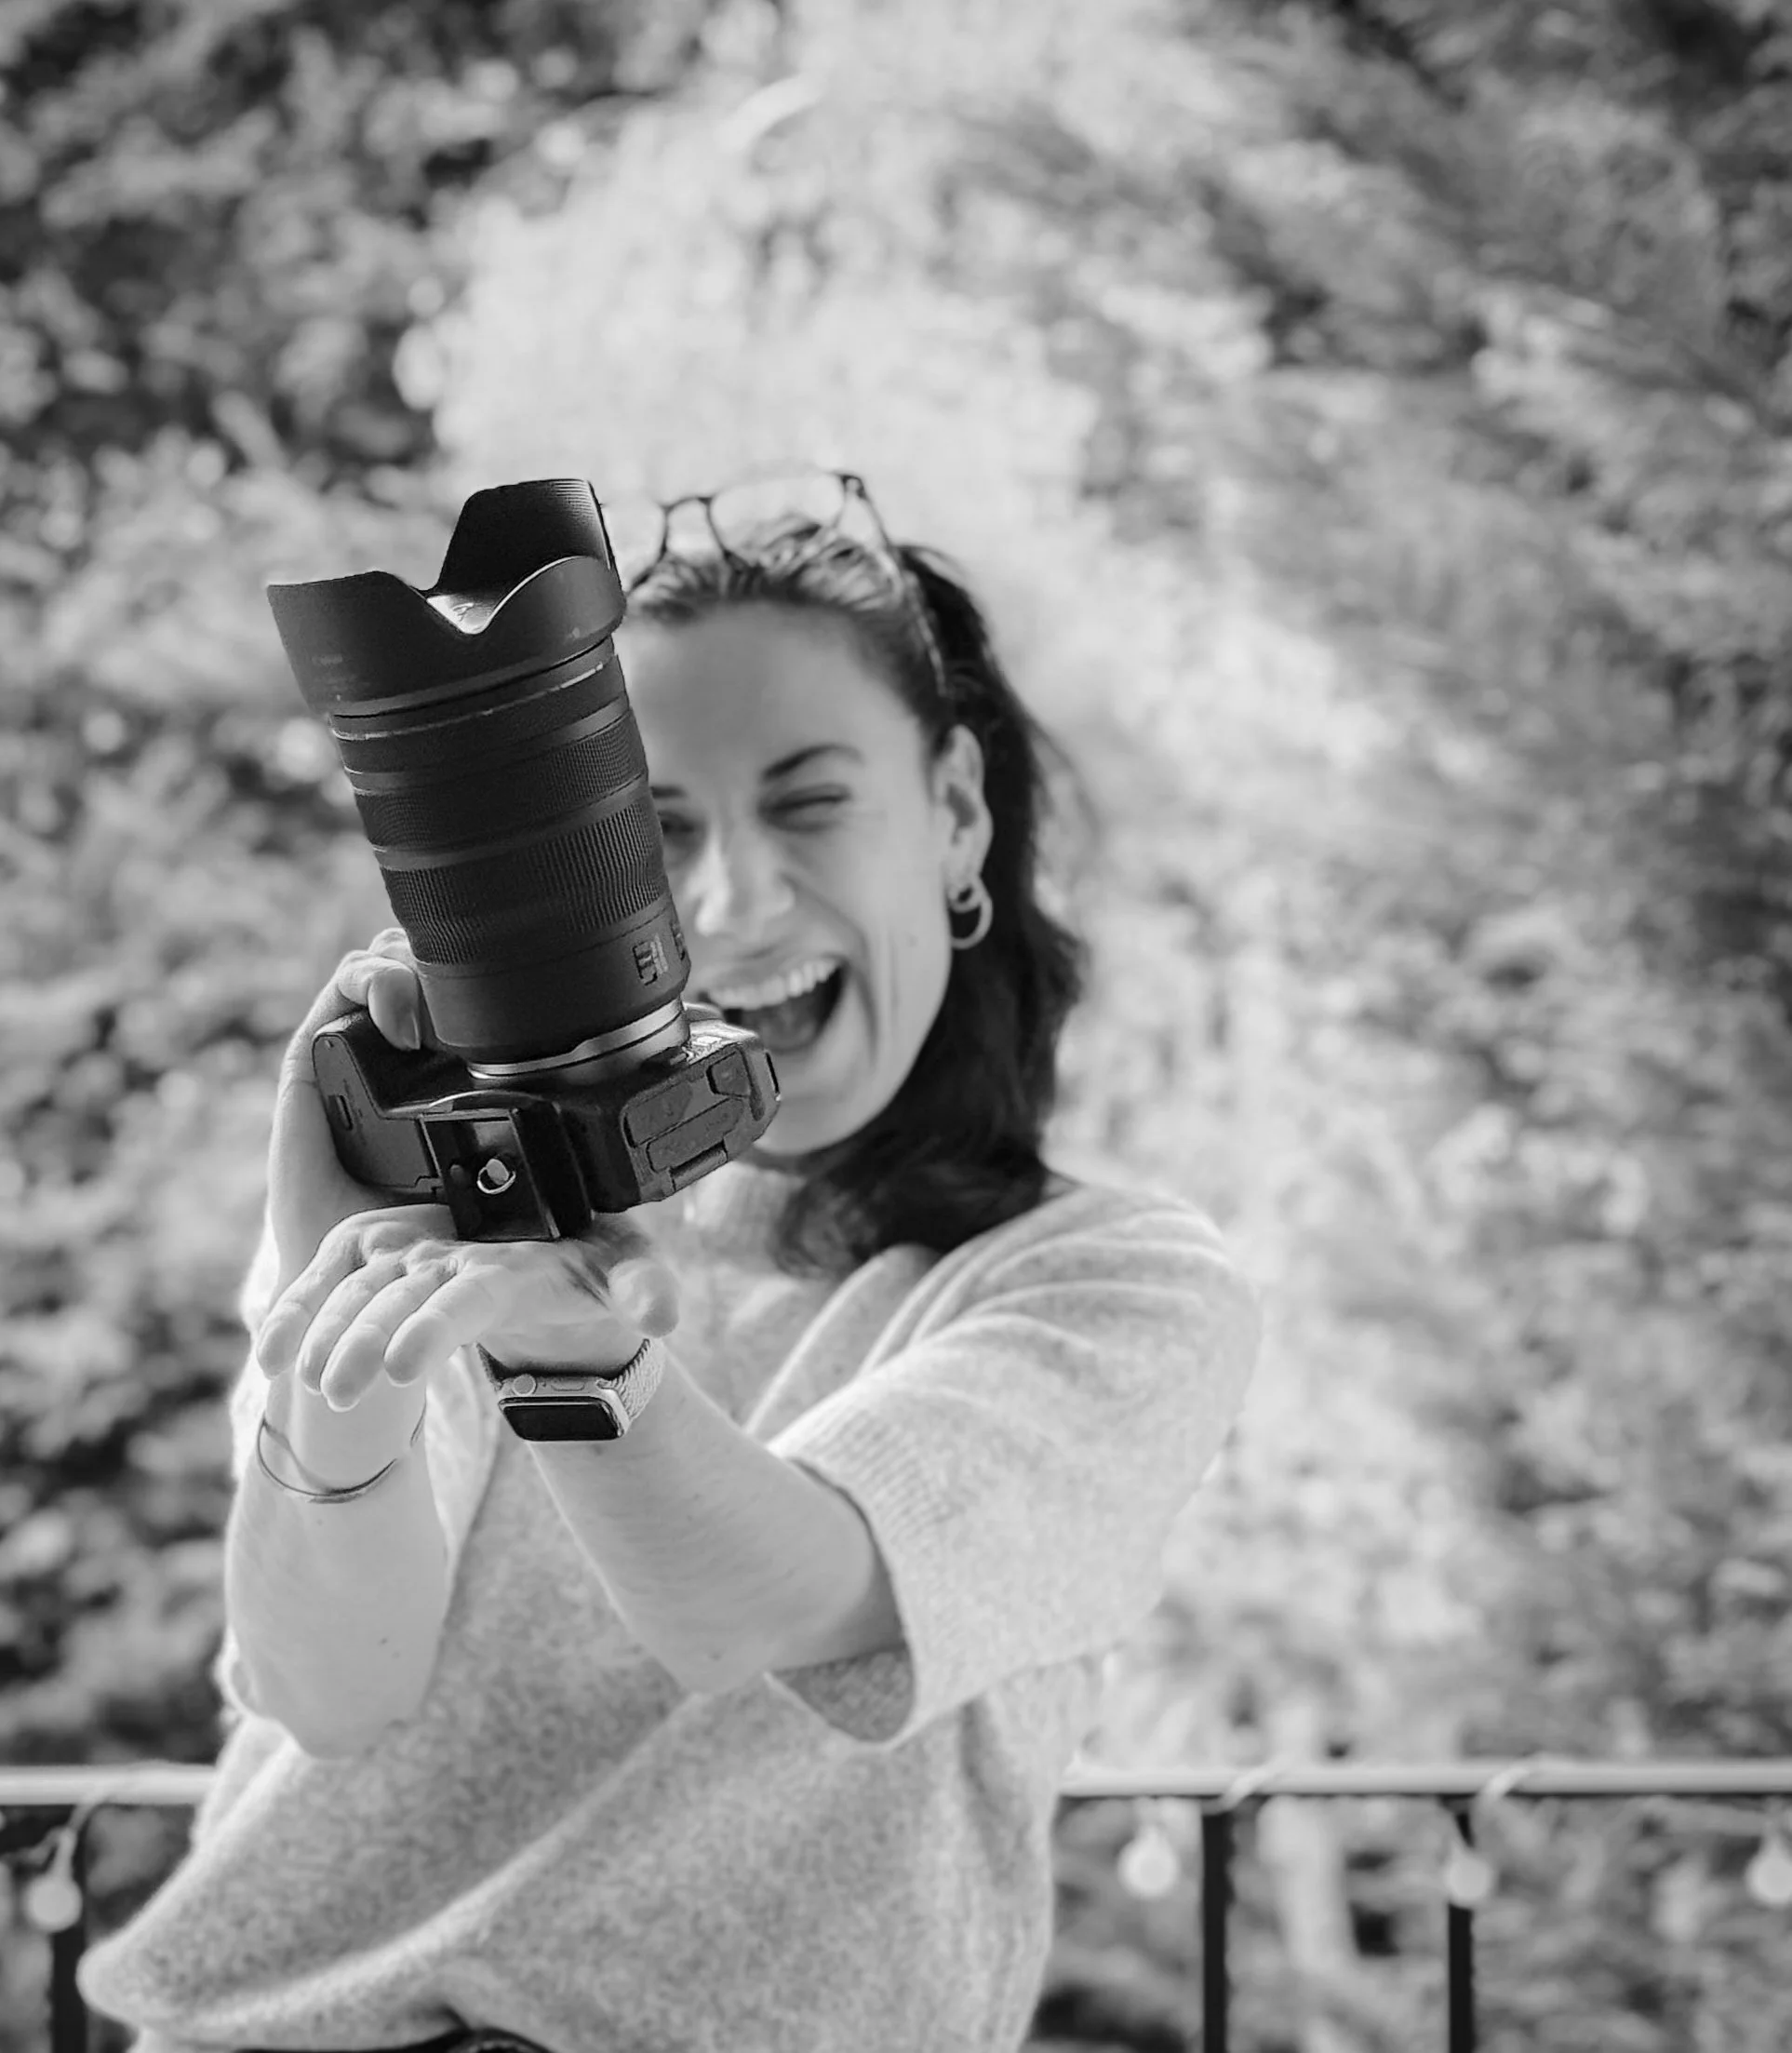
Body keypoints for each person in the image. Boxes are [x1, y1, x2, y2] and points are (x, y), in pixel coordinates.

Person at [77, 472, 1261, 2053]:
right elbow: (326, 1688)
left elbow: (751, 1605)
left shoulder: (1101, 1287)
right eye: (657, 830)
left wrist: (565, 1350)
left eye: (808, 800)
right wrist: (336, 1307)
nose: (733, 900)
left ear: (956, 811)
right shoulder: (467, 1192)